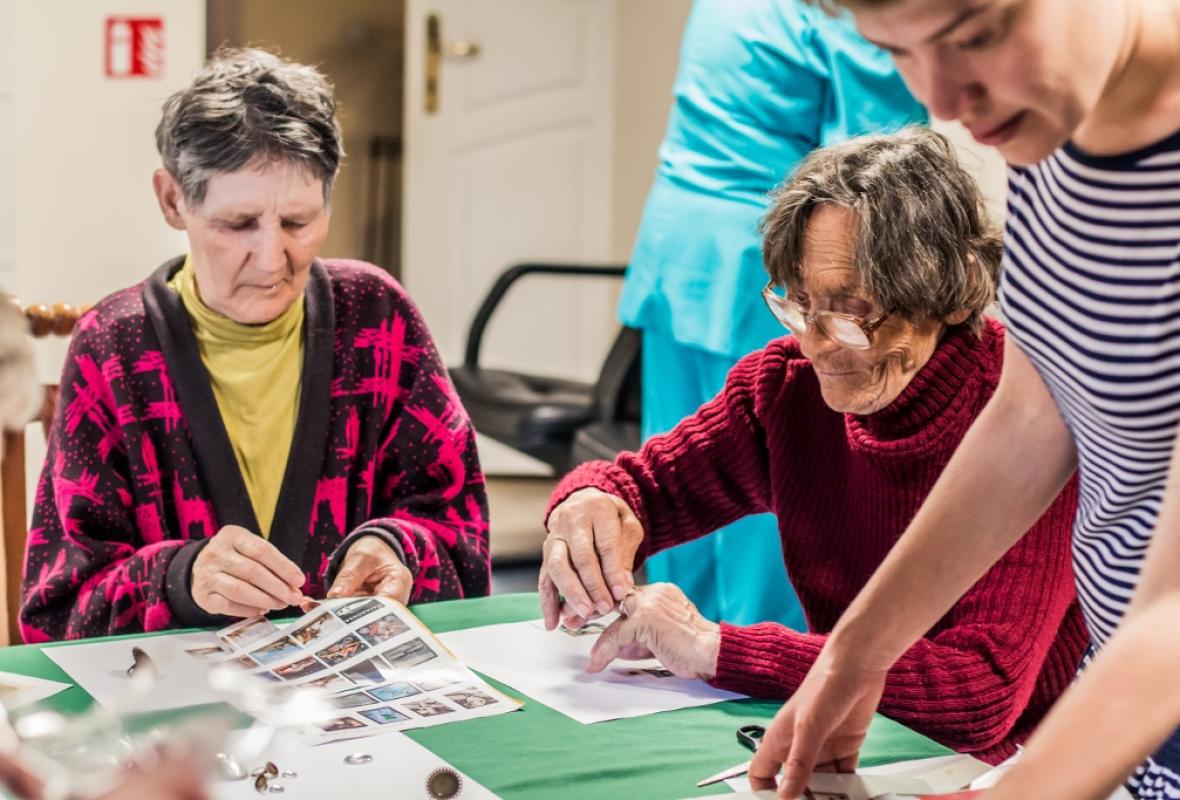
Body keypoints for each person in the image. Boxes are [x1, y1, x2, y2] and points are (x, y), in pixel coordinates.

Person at [541, 128, 1088, 762]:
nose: (815, 343)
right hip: (848, 728)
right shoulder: (785, 390)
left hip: (1024, 759)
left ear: (941, 293)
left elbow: (978, 697)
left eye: (849, 312)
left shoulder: (1028, 421)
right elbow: (644, 488)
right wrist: (585, 504)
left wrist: (714, 646)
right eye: (799, 304)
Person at [747, 1, 1180, 798]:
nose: (944, 100)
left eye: (977, 35)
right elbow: (1030, 413)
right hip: (1127, 715)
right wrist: (859, 649)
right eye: (897, 52)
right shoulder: (1054, 135)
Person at [21, 48, 489, 642]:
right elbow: (59, 608)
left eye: (298, 222)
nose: (273, 260)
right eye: (238, 224)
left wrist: (394, 548)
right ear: (173, 201)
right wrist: (179, 580)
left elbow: (458, 531)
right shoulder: (113, 346)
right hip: (185, 716)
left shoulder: (379, 318)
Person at [619, 0, 927, 628]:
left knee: (683, 464)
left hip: (678, 242)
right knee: (783, 478)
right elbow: (884, 167)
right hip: (763, 254)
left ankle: (666, 646)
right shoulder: (846, 17)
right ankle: (761, 666)